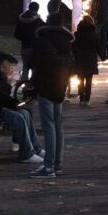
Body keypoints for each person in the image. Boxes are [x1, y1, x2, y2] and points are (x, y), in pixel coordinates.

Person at [29, 13, 75, 178]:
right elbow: (72, 63)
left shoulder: (42, 40)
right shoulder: (67, 41)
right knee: (58, 125)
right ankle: (57, 164)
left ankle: (48, 165)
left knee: (48, 125)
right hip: (60, 84)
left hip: (45, 85)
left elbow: (35, 62)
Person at [0, 52, 44, 163]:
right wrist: (9, 86)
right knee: (18, 118)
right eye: (11, 67)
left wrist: (15, 103)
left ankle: (35, 149)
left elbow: (2, 98)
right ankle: (26, 154)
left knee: (25, 113)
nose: (12, 71)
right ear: (3, 65)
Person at [72, 15, 101, 106]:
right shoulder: (94, 34)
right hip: (90, 58)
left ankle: (81, 98)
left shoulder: (77, 34)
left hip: (80, 58)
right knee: (89, 80)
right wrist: (103, 56)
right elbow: (98, 47)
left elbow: (73, 47)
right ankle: (87, 99)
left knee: (80, 79)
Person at [14, 1, 44, 81]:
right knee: (34, 67)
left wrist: (24, 38)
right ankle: (33, 84)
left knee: (25, 66)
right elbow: (43, 32)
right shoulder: (38, 20)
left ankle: (24, 83)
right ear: (37, 9)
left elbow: (16, 34)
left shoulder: (20, 19)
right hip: (35, 48)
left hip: (24, 47)